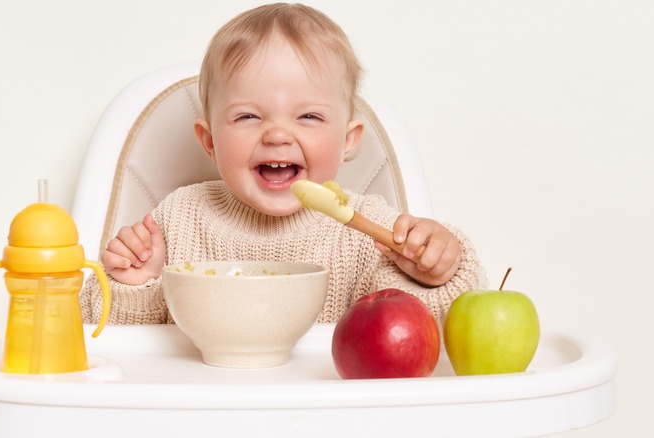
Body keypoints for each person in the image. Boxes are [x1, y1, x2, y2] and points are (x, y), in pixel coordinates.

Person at [80, 3, 486, 326]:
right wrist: (136, 282)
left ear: (348, 141)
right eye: (248, 117)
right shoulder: (178, 220)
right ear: (210, 142)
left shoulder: (371, 232)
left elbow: (424, 330)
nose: (277, 135)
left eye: (308, 117)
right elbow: (98, 331)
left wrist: (436, 273)